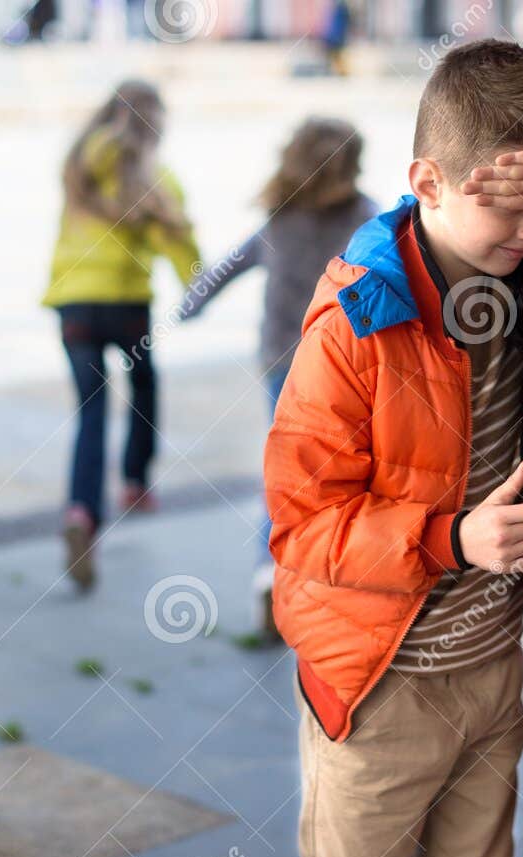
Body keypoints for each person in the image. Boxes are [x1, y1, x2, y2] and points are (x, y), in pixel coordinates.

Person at [261, 39, 523, 857]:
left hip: (492, 678)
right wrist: (451, 540)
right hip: (379, 693)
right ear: (427, 182)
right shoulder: (356, 326)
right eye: (505, 204)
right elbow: (301, 529)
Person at [177, 117, 374, 642]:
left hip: (284, 367)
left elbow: (226, 268)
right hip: (348, 368)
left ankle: (272, 579)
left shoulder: (279, 220)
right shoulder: (369, 219)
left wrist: (189, 306)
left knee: (287, 480)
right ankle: (340, 586)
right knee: (349, 475)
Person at [42, 79, 199, 592]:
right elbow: (176, 240)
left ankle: (81, 513)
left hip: (74, 303)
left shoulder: (78, 163)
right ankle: (134, 480)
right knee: (144, 384)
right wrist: (195, 285)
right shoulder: (157, 178)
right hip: (128, 303)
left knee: (90, 409)